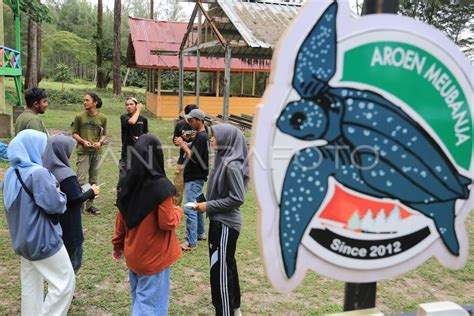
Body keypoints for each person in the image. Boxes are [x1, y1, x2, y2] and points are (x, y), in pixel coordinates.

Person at [2, 129, 75, 315]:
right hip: (42, 239)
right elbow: (55, 205)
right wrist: (60, 193)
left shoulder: (11, 173)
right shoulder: (38, 174)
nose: (44, 151)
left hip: (22, 240)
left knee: (30, 285)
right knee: (64, 282)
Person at [112, 134, 182, 315]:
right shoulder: (161, 187)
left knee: (140, 299)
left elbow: (121, 218)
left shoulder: (126, 183)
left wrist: (118, 244)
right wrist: (178, 211)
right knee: (149, 307)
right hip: (154, 257)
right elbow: (168, 222)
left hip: (134, 254)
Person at [194, 124, 248, 316]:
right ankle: (234, 307)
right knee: (226, 265)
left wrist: (208, 206)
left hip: (226, 224)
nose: (211, 139)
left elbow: (237, 198)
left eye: (215, 136)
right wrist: (201, 202)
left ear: (226, 140)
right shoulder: (222, 159)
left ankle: (225, 312)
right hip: (219, 221)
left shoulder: (232, 164)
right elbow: (220, 192)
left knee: (220, 271)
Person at [42, 134, 100, 273]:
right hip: (70, 225)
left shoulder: (44, 170)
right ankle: (66, 293)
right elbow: (75, 199)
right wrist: (92, 191)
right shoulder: (66, 174)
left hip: (54, 225)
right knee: (73, 263)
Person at [174, 108, 209, 250]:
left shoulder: (201, 137)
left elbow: (195, 158)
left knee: (190, 208)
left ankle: (190, 242)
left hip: (194, 177)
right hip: (198, 176)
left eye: (191, 120)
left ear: (199, 121)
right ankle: (200, 233)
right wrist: (187, 142)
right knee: (198, 204)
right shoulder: (200, 136)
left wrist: (183, 145)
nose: (188, 122)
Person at [72, 92, 107, 215]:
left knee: (93, 179)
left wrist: (100, 142)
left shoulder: (102, 118)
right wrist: (83, 141)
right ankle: (79, 205)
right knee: (81, 179)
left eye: (87, 100)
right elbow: (74, 133)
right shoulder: (79, 116)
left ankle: (90, 205)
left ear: (95, 103)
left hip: (96, 152)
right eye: (84, 100)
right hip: (83, 152)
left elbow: (104, 135)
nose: (84, 102)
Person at [172, 103, 198, 207]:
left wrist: (190, 138)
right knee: (177, 189)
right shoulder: (180, 124)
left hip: (196, 162)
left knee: (195, 190)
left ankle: (196, 210)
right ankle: (175, 210)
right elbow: (175, 141)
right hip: (182, 161)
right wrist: (180, 140)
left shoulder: (200, 126)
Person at [119, 97, 148, 178]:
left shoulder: (143, 119)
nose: (129, 106)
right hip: (127, 152)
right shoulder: (124, 117)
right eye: (127, 105)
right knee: (124, 176)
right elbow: (132, 121)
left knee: (138, 176)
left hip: (140, 152)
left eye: (131, 104)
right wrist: (138, 110)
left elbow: (145, 135)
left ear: (136, 105)